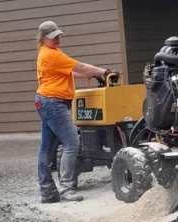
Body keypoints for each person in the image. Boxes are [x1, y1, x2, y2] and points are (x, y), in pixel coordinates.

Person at [35, 21, 118, 203]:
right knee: (72, 143)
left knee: (46, 149)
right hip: (54, 103)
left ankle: (48, 192)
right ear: (43, 39)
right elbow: (79, 67)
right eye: (52, 37)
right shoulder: (52, 54)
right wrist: (105, 71)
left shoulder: (47, 53)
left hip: (46, 102)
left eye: (58, 35)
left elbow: (68, 73)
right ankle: (66, 188)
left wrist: (91, 74)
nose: (57, 38)